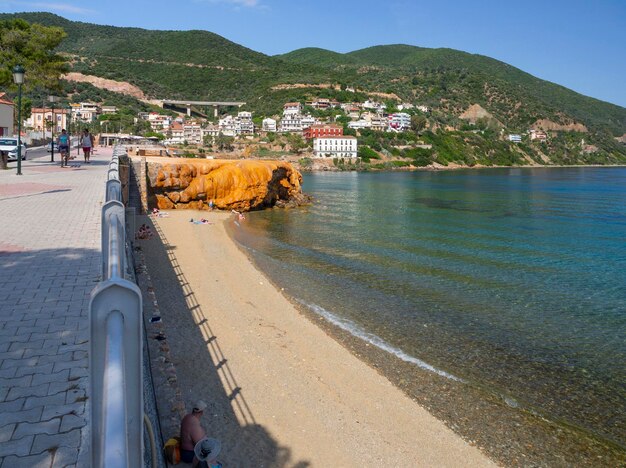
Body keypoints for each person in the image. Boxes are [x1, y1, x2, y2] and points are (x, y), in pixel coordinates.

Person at [180, 400, 207, 464]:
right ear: (201, 412)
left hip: (183, 449)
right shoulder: (194, 425)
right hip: (188, 454)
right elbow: (199, 445)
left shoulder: (187, 416)